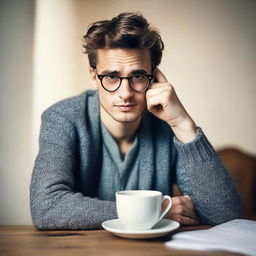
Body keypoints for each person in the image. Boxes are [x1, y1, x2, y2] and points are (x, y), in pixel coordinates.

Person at [30, 12, 242, 230]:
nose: (126, 93)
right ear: (94, 78)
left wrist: (183, 124)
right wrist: (154, 210)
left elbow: (226, 215)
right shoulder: (62, 118)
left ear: (154, 77)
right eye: (111, 77)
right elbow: (47, 207)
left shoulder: (168, 123)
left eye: (137, 76)